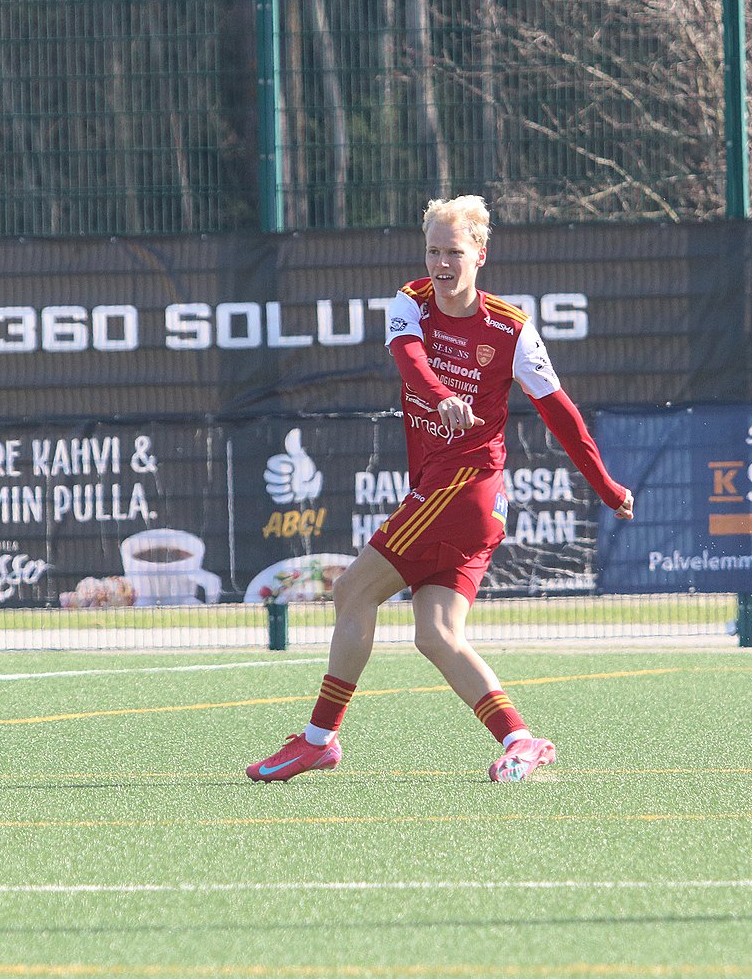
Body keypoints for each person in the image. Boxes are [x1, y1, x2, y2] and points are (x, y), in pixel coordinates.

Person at [246, 195, 635, 784]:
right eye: (433, 251)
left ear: (481, 254)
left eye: (453, 252)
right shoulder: (411, 301)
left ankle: (319, 740)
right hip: (459, 495)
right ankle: (522, 740)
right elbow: (408, 358)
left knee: (352, 590)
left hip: (464, 487)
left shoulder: (511, 329)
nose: (441, 264)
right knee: (436, 633)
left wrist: (604, 486)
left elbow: (559, 411)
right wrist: (440, 395)